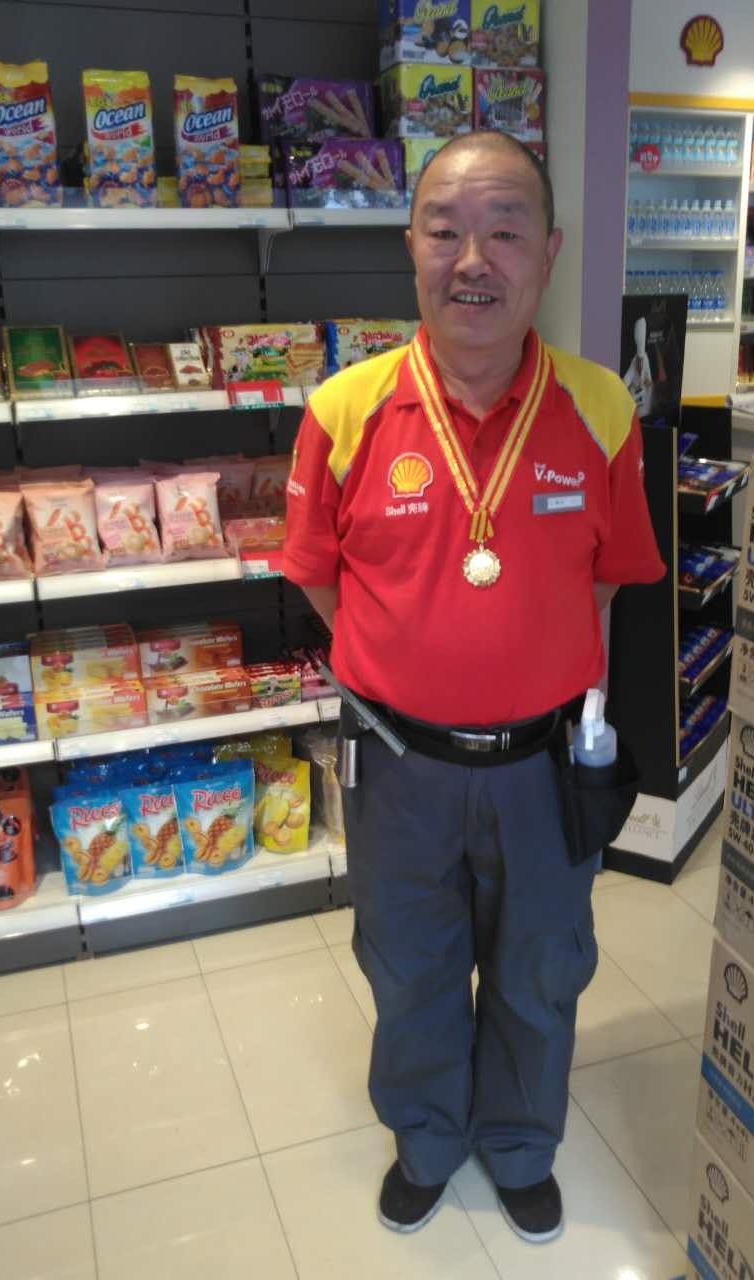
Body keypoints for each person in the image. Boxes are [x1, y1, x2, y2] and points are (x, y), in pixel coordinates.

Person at [282, 131, 664, 1244]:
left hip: (545, 764)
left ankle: (520, 1143)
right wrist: (408, 664)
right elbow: (317, 577)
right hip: (397, 765)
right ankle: (428, 1138)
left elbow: (608, 580)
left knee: (542, 966)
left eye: (504, 231)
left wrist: (528, 673)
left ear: (548, 251)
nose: (473, 260)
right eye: (445, 231)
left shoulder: (601, 409)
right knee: (409, 965)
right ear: (411, 245)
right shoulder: (344, 409)